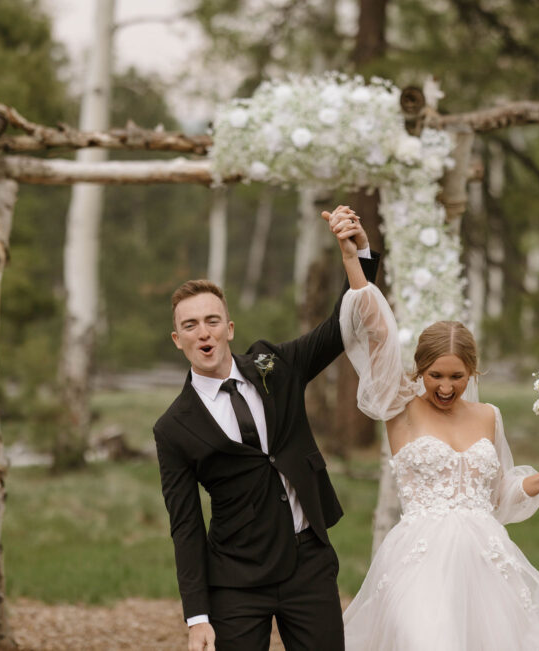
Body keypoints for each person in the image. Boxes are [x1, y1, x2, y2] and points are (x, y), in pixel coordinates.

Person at [327, 213, 539, 650]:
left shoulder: (488, 416)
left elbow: (499, 495)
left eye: (457, 377)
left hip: (486, 565)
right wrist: (354, 256)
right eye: (435, 375)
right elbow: (377, 330)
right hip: (418, 565)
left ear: (472, 372)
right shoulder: (399, 409)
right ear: (419, 369)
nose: (444, 387)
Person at [153, 205, 379, 651]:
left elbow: (343, 325)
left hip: (308, 564)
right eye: (190, 325)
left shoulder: (274, 365)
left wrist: (359, 256)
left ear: (229, 328)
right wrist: (197, 615)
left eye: (212, 320)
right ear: (178, 339)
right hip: (235, 580)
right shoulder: (173, 428)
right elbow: (185, 526)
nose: (204, 333)